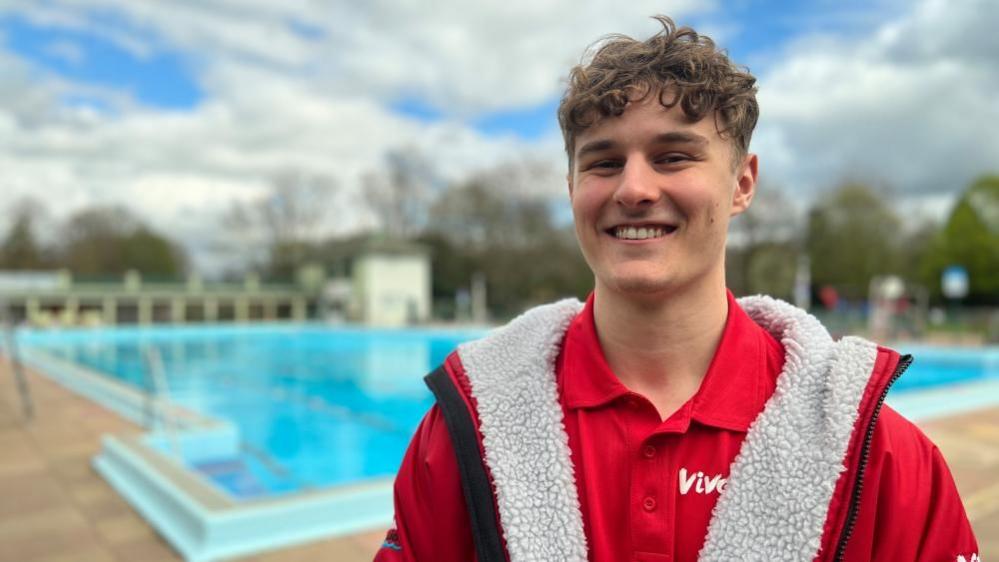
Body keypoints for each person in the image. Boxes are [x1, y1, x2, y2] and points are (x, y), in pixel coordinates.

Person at [374, 16, 979, 562]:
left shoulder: (877, 453)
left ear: (742, 183)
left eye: (672, 157)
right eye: (604, 163)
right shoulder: (467, 432)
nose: (633, 188)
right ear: (571, 187)